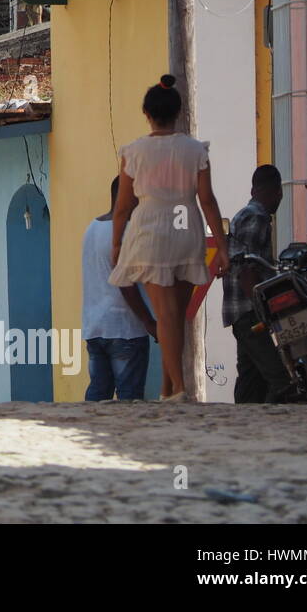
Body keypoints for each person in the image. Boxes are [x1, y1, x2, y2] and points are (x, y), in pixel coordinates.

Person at [110, 75, 229, 402]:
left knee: (166, 315)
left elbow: (123, 206)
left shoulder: (133, 152)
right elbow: (207, 200)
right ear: (178, 113)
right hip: (186, 227)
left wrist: (117, 243)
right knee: (176, 315)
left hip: (150, 230)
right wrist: (221, 245)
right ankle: (166, 389)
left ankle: (177, 388)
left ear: (146, 114)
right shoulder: (195, 150)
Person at [224, 164, 294, 404]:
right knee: (280, 378)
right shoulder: (257, 217)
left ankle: (244, 422)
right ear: (275, 191)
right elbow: (247, 268)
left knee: (250, 377)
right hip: (249, 310)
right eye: (280, 195)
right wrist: (262, 311)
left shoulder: (243, 214)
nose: (280, 201)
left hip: (239, 311)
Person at [83, 176, 157, 400]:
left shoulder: (92, 228)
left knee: (98, 394)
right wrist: (149, 322)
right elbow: (125, 283)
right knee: (129, 398)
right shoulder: (126, 232)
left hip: (95, 326)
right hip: (126, 329)